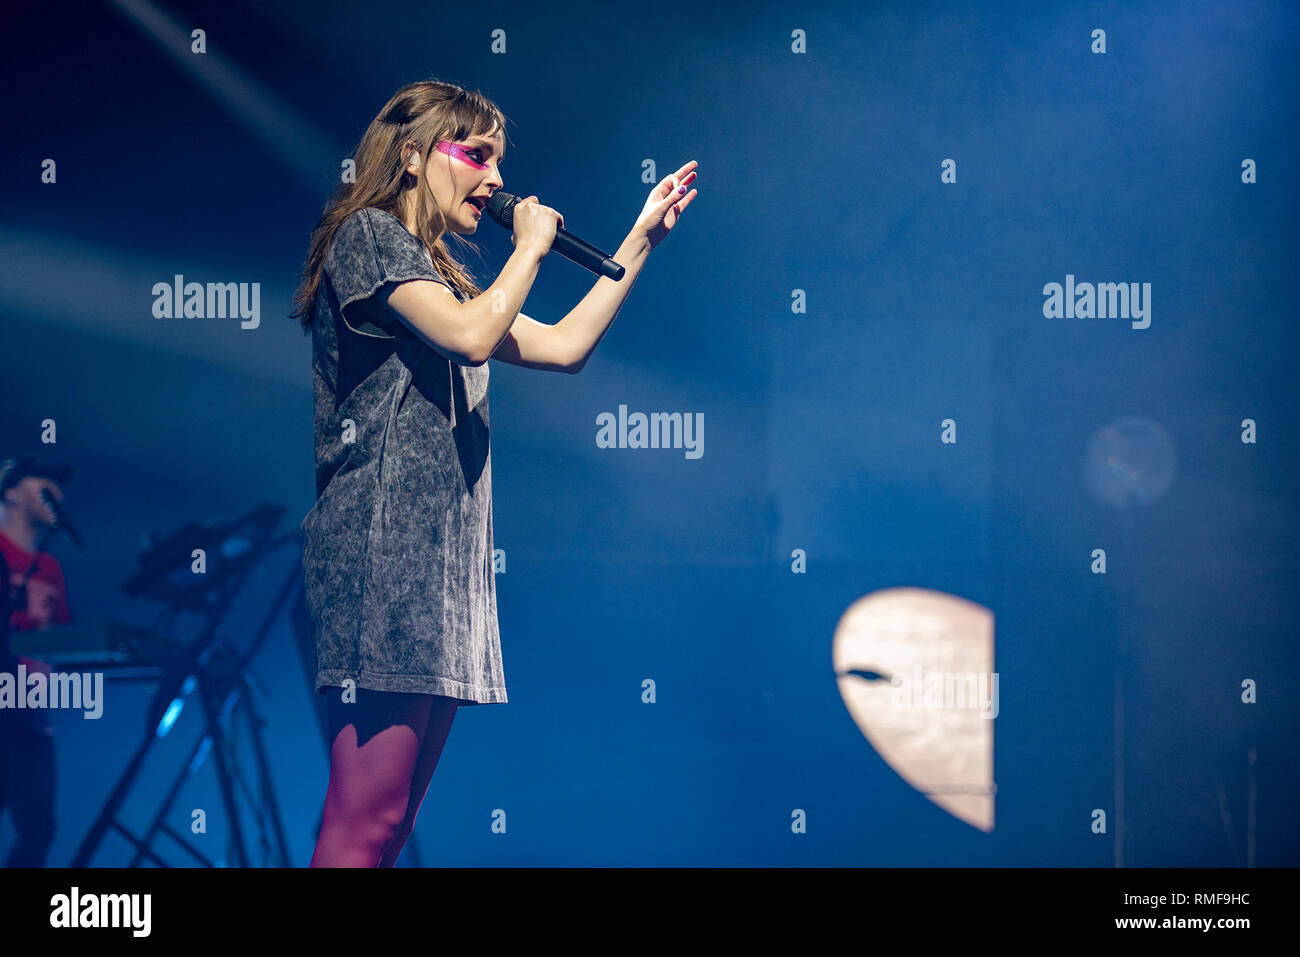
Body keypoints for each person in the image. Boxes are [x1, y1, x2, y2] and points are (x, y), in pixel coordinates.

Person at [289, 78, 697, 867]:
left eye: (499, 161)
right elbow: (473, 337)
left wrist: (641, 237)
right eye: (476, 155)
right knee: (360, 821)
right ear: (412, 156)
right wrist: (529, 247)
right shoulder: (368, 235)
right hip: (385, 559)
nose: (495, 179)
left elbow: (566, 348)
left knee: (390, 826)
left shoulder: (441, 277)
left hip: (444, 569)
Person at [0, 457, 74, 867]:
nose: (57, 494)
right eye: (44, 482)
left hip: (30, 716)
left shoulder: (51, 567)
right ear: (10, 490)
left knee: (39, 828)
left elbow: (65, 635)